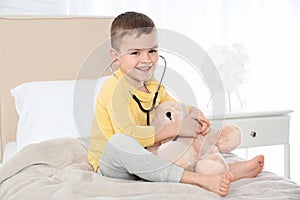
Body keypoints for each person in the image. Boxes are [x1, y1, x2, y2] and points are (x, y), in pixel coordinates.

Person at [88, 11, 264, 197]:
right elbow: (129, 134)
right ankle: (200, 179)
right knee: (120, 142)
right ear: (116, 57)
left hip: (148, 154)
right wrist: (176, 128)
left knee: (182, 135)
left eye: (152, 51)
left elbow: (172, 106)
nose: (146, 59)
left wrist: (193, 112)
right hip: (115, 165)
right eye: (135, 53)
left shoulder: (153, 84)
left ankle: (221, 168)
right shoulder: (113, 89)